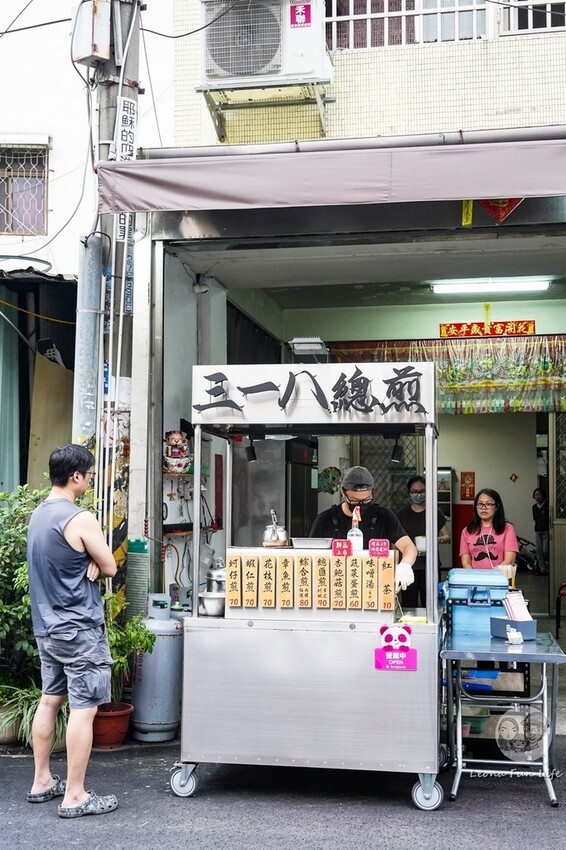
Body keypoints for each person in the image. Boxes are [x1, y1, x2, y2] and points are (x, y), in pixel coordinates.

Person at [26, 444, 119, 819]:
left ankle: (42, 781)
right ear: (76, 476)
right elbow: (110, 565)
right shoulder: (79, 518)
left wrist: (91, 561)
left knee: (50, 700)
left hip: (46, 628)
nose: (91, 480)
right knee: (84, 709)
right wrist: (96, 562)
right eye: (90, 474)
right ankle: (76, 796)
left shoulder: (38, 515)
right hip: (79, 629)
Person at [309, 465, 417, 590]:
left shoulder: (384, 517)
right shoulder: (325, 520)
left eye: (366, 500)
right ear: (343, 493)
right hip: (336, 590)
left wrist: (405, 565)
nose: (360, 505)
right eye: (354, 501)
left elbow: (409, 547)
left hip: (375, 589)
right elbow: (310, 557)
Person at [396, 475, 451, 608]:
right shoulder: (402, 515)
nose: (418, 494)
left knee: (431, 603)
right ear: (409, 493)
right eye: (414, 492)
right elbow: (394, 542)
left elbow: (447, 537)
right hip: (409, 566)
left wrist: (435, 540)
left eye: (422, 491)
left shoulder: (434, 512)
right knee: (409, 604)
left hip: (430, 565)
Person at [459, 488, 519, 569]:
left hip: (499, 579)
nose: (483, 508)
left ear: (497, 507)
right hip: (475, 579)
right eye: (480, 504)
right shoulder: (467, 531)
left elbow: (509, 560)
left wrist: (492, 577)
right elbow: (466, 562)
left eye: (488, 504)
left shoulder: (507, 528)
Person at [532, 487, 549, 575]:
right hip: (538, 531)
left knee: (545, 550)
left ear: (542, 496)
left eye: (539, 495)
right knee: (539, 551)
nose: (537, 497)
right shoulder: (534, 507)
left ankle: (549, 565)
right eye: (535, 495)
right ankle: (543, 569)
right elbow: (535, 519)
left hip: (546, 531)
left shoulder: (547, 506)